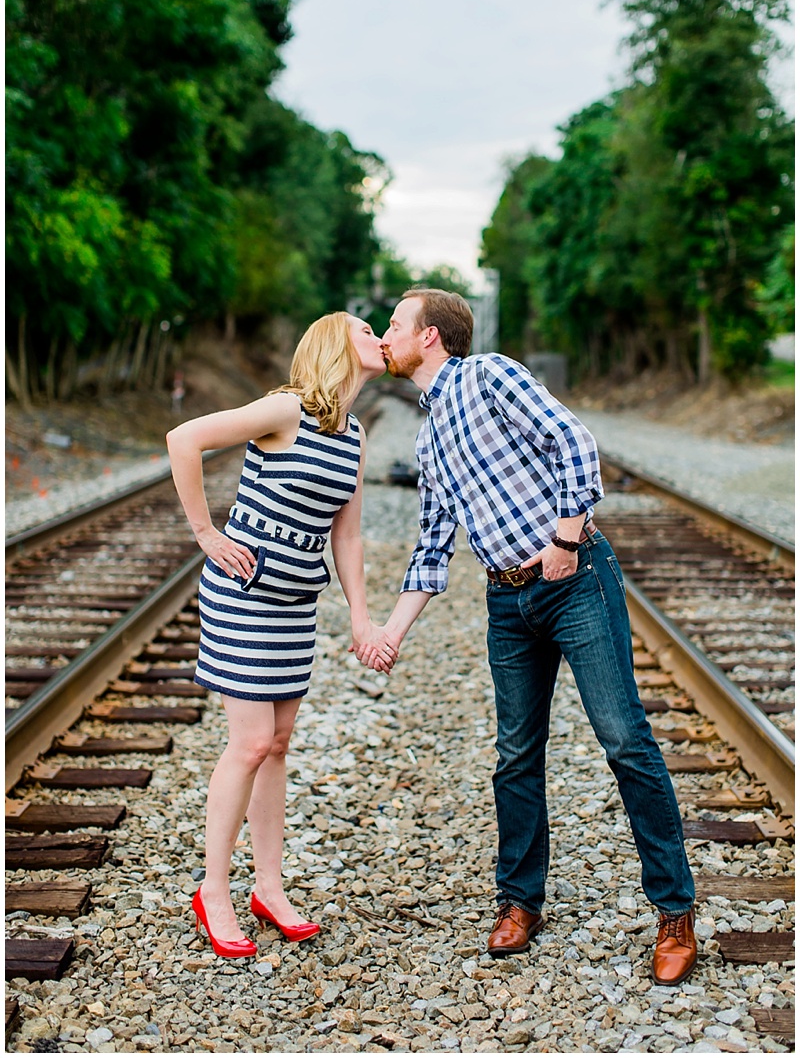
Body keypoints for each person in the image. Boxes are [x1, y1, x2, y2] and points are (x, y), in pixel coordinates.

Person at [358, 288, 697, 986]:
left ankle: (674, 910)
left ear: (430, 337)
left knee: (624, 737)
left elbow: (575, 440)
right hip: (507, 600)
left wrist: (566, 537)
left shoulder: (490, 375)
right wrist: (391, 632)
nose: (386, 335)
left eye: (394, 324)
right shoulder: (426, 436)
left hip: (574, 579)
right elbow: (430, 544)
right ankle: (520, 900)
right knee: (515, 754)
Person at [167, 312, 395, 958]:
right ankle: (213, 890)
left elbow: (345, 534)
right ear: (333, 344)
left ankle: (268, 886)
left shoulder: (351, 433)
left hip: (296, 602)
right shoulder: (285, 409)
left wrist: (359, 614)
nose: (378, 333)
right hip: (244, 594)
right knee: (250, 742)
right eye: (364, 327)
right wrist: (207, 534)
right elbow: (183, 437)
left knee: (279, 744)